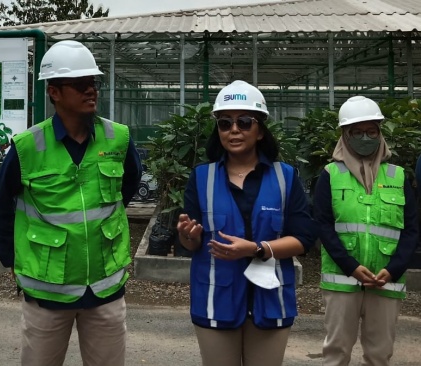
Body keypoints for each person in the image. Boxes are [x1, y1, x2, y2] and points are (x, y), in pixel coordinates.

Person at [0, 40, 142, 366]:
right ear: (54, 92)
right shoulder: (28, 147)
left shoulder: (117, 138)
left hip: (105, 289)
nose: (91, 91)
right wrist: (13, 261)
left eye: (94, 83)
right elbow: (0, 205)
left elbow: (128, 185)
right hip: (47, 292)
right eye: (80, 85)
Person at [176, 80, 316, 366]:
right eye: (225, 123)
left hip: (269, 299)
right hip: (217, 298)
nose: (234, 130)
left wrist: (256, 249)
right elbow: (192, 244)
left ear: (260, 129)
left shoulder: (285, 177)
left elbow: (304, 239)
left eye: (244, 121)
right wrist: (188, 235)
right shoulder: (202, 178)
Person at [314, 96, 418, 366]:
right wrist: (350, 265)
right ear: (345, 136)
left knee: (379, 354)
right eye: (356, 132)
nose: (365, 137)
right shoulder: (330, 174)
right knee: (336, 352)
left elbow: (411, 229)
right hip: (342, 278)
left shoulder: (397, 175)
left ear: (380, 133)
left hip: (387, 279)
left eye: (371, 131)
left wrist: (394, 269)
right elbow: (323, 225)